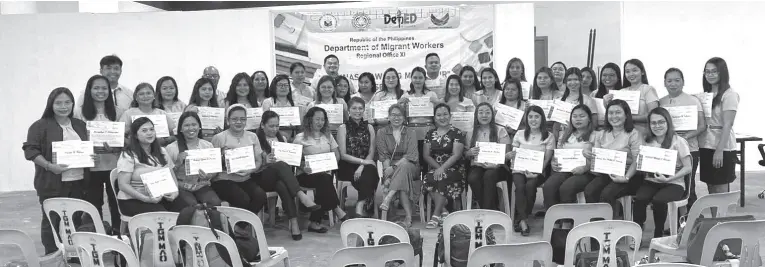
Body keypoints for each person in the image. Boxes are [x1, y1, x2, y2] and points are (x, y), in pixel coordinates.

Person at [24, 87, 93, 255]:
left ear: (72, 104)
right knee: (51, 220)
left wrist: (92, 157)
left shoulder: (80, 124)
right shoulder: (40, 126)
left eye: (67, 102)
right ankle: (52, 254)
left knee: (75, 218)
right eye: (59, 103)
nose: (64, 106)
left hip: (78, 180)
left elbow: (86, 149)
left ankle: (73, 252)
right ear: (51, 104)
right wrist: (49, 166)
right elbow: (30, 151)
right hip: (51, 182)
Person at [255, 110, 321, 240]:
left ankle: (294, 223)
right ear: (262, 125)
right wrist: (264, 162)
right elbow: (251, 165)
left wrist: (302, 166)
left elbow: (291, 160)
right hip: (261, 176)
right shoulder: (255, 139)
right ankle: (301, 195)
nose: (275, 129)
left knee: (282, 184)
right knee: (281, 165)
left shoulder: (282, 138)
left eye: (277, 126)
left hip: (279, 178)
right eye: (271, 126)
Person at [74, 75, 125, 233]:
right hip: (91, 165)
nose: (100, 91)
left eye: (104, 88)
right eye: (96, 88)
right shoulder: (78, 112)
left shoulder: (119, 112)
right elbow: (75, 138)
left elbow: (125, 139)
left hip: (114, 165)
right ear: (89, 90)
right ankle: (96, 237)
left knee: (116, 203)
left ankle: (118, 235)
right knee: (93, 204)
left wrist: (117, 147)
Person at [634, 107, 692, 239]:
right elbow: (641, 165)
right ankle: (637, 233)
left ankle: (658, 234)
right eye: (653, 123)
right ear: (649, 125)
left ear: (668, 123)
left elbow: (688, 167)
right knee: (639, 199)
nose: (657, 126)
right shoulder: (647, 141)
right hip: (652, 180)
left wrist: (669, 179)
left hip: (674, 182)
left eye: (661, 122)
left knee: (659, 200)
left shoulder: (678, 141)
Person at [582, 100, 642, 219]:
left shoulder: (634, 134)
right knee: (589, 190)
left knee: (607, 194)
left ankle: (610, 229)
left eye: (618, 112)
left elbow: (638, 160)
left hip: (629, 175)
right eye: (610, 113)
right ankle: (596, 226)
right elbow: (596, 166)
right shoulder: (601, 134)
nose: (614, 116)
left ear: (626, 115)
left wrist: (626, 178)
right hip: (607, 174)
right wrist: (589, 156)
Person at [293, 107, 350, 232]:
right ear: (309, 120)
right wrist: (304, 166)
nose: (320, 122)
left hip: (325, 173)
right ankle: (336, 209)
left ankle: (315, 222)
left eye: (322, 120)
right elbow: (294, 161)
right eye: (317, 119)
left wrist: (328, 163)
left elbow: (337, 155)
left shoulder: (328, 136)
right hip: (306, 175)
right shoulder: (300, 138)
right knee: (324, 180)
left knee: (324, 180)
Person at [116, 117, 186, 216]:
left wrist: (175, 192)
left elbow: (171, 175)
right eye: (144, 130)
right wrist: (146, 199)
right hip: (133, 199)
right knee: (164, 215)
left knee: (186, 210)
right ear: (136, 135)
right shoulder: (128, 154)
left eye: (151, 129)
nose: (149, 133)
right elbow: (123, 185)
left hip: (160, 196)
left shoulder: (162, 151)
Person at [658, 68, 705, 211]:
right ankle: (678, 223)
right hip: (668, 152)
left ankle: (693, 221)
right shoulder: (661, 102)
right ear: (664, 83)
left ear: (683, 82)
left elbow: (702, 126)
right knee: (673, 187)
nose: (673, 84)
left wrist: (684, 138)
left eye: (677, 80)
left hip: (690, 149)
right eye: (669, 81)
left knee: (689, 187)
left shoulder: (693, 100)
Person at [210, 105, 267, 215]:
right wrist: (222, 157)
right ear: (228, 121)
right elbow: (212, 164)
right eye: (234, 119)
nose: (239, 122)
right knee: (243, 199)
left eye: (242, 119)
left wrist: (250, 171)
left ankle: (240, 226)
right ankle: (239, 226)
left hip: (245, 178)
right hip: (224, 179)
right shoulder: (219, 137)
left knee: (260, 196)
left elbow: (258, 161)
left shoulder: (252, 136)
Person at [507, 105, 554, 236]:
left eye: (537, 117)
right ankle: (523, 220)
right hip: (519, 169)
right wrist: (511, 156)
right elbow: (514, 153)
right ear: (526, 119)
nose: (533, 120)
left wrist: (536, 172)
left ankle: (521, 218)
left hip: (538, 171)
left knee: (531, 185)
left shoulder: (549, 136)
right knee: (520, 186)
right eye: (530, 116)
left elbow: (547, 160)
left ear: (542, 119)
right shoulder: (519, 134)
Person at [699, 57, 739, 195]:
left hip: (722, 147)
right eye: (707, 72)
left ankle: (721, 217)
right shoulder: (706, 95)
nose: (710, 75)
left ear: (722, 72)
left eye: (714, 71)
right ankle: (714, 217)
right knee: (710, 184)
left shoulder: (730, 94)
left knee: (720, 187)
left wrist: (719, 150)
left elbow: (728, 124)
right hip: (705, 144)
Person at [423, 103, 466, 229]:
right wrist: (438, 168)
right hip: (435, 168)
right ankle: (444, 212)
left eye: (445, 114)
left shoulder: (457, 133)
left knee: (441, 177)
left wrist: (442, 168)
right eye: (439, 115)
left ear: (450, 115)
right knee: (428, 178)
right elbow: (426, 155)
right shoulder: (430, 133)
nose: (442, 117)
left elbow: (456, 155)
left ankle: (435, 215)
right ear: (434, 117)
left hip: (454, 169)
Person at [165, 112, 221, 207]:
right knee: (191, 206)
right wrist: (178, 164)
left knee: (215, 203)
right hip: (181, 186)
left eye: (194, 124)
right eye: (186, 125)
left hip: (202, 185)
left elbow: (215, 170)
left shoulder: (207, 145)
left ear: (199, 127)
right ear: (181, 129)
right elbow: (166, 176)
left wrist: (208, 176)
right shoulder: (171, 148)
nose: (191, 128)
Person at [546, 105, 597, 208]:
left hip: (587, 172)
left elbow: (599, 159)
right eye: (574, 116)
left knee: (567, 187)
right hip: (566, 170)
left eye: (582, 116)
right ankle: (555, 219)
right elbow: (558, 154)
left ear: (589, 119)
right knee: (549, 185)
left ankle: (567, 222)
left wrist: (585, 168)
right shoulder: (565, 134)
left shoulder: (596, 135)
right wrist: (554, 162)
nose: (578, 119)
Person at [376, 104, 419, 226]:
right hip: (390, 168)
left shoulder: (410, 132)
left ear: (404, 118)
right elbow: (383, 156)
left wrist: (394, 168)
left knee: (404, 166)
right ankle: (408, 217)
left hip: (411, 166)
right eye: (393, 115)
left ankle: (389, 196)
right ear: (388, 117)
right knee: (402, 176)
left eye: (399, 115)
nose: (396, 118)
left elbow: (411, 155)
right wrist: (387, 174)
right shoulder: (382, 132)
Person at [337, 97, 380, 217]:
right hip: (347, 165)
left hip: (365, 163)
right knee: (370, 171)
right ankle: (364, 204)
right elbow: (343, 155)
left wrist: (362, 165)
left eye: (360, 108)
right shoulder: (343, 128)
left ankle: (360, 204)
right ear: (348, 111)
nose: (358, 111)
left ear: (364, 110)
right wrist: (363, 162)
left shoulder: (370, 127)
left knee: (370, 170)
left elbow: (371, 151)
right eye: (354, 108)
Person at [464, 102, 512, 210]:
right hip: (478, 165)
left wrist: (497, 163)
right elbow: (466, 155)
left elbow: (507, 154)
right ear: (476, 115)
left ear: (492, 115)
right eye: (481, 112)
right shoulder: (471, 132)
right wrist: (469, 153)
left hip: (498, 167)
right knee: (473, 178)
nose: (484, 115)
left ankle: (487, 212)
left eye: (487, 112)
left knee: (489, 176)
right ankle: (492, 209)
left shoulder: (500, 130)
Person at [399, 67, 440, 176]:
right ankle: (416, 191)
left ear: (424, 79)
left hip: (429, 132)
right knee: (414, 164)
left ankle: (427, 191)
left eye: (420, 77)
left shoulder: (432, 95)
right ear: (411, 79)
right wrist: (400, 104)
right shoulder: (406, 96)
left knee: (428, 163)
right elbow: (399, 118)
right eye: (415, 77)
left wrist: (437, 103)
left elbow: (440, 114)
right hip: (412, 133)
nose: (417, 80)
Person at [604, 59, 659, 137]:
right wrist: (606, 104)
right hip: (623, 135)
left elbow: (654, 115)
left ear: (642, 72)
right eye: (627, 71)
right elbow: (613, 114)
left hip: (643, 135)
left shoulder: (648, 89)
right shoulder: (621, 92)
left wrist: (629, 118)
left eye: (634, 70)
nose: (631, 74)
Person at [262, 74, 301, 141]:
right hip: (273, 139)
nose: (283, 87)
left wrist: (295, 125)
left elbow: (299, 125)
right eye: (280, 85)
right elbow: (265, 123)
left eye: (286, 85)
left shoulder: (294, 103)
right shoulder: (268, 102)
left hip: (292, 139)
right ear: (274, 87)